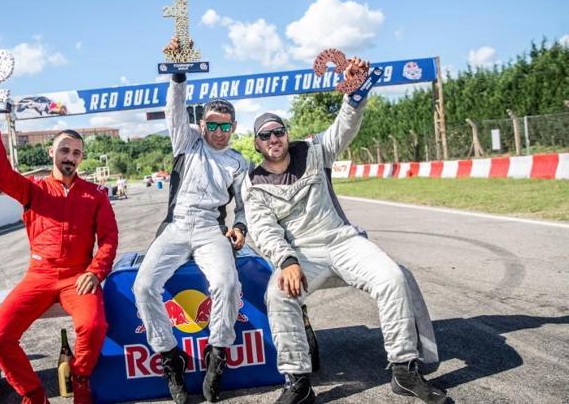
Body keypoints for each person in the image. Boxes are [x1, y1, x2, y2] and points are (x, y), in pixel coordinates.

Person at [241, 58, 448, 404]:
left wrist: (354, 97)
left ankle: (404, 369)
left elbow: (345, 126)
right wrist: (286, 259)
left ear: (286, 134)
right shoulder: (253, 182)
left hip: (342, 240)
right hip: (301, 254)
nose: (274, 138)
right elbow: (263, 230)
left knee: (392, 277)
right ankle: (298, 382)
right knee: (278, 295)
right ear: (257, 143)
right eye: (266, 135)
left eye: (279, 131)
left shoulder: (313, 151)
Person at [0, 100, 119, 404]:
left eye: (76, 152)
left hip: (78, 276)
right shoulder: (33, 189)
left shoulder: (95, 195)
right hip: (39, 276)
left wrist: (95, 271)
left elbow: (109, 238)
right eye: (64, 150)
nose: (70, 157)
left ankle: (79, 378)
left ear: (82, 158)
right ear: (51, 152)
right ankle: (34, 395)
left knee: (93, 325)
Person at [132, 37, 250, 404]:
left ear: (233, 128)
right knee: (142, 287)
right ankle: (171, 359)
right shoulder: (186, 143)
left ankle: (217, 358)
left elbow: (244, 208)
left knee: (228, 285)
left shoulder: (238, 162)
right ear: (201, 125)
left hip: (211, 231)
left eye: (225, 127)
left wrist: (241, 227)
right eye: (212, 125)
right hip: (175, 227)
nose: (218, 132)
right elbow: (174, 106)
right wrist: (178, 75)